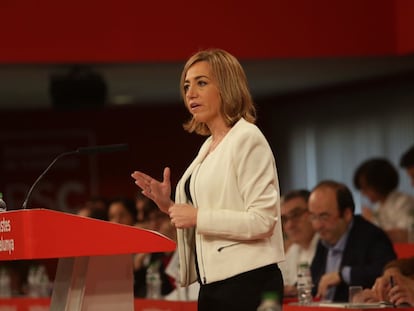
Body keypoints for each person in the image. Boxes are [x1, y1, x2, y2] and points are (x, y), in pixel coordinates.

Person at [131, 48, 285, 310]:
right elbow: (208, 210)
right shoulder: (208, 146)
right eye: (187, 86)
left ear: (227, 87)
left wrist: (197, 217)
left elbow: (263, 221)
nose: (191, 93)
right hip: (212, 285)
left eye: (202, 83)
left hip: (248, 282)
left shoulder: (247, 138)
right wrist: (169, 206)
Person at [308, 180, 396, 302]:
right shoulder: (324, 239)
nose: (317, 225)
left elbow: (387, 272)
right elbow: (313, 281)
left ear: (347, 214)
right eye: (313, 217)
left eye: (324, 216)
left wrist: (342, 275)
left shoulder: (372, 236)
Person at [353, 158, 414, 242]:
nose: (364, 193)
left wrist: (371, 220)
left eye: (366, 188)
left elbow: (405, 237)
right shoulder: (377, 208)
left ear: (379, 183)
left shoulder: (404, 202)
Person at [279, 189, 318, 297]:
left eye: (296, 215)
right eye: (284, 219)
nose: (289, 225)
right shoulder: (293, 250)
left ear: (312, 212)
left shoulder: (327, 246)